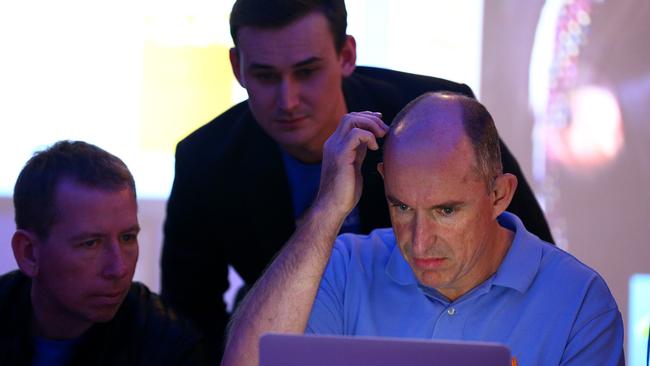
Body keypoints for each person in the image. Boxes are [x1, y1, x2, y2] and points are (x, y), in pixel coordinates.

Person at [160, 0, 554, 360]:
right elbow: (190, 326)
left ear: (346, 55)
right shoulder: (206, 161)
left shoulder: (439, 118)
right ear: (236, 67)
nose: (288, 100)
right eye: (265, 76)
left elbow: (537, 255)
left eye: (307, 71)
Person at [223, 92, 624, 366]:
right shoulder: (346, 267)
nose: (418, 241)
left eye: (446, 210)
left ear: (500, 194)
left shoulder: (579, 302)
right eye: (400, 206)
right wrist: (326, 210)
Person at [0, 141, 205, 365]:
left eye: (127, 238)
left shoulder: (168, 343)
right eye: (90, 243)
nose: (119, 268)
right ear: (29, 253)